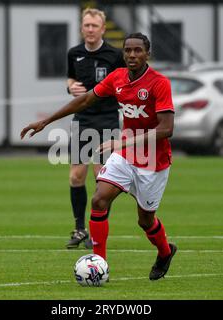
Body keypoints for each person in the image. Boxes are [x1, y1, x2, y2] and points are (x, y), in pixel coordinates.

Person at [21, 33, 177, 280]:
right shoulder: (117, 78)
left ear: (148, 53)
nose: (132, 55)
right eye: (128, 51)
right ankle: (98, 263)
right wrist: (46, 121)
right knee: (99, 200)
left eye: (138, 51)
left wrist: (123, 140)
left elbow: (166, 129)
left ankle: (165, 252)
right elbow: (84, 100)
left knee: (146, 220)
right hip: (125, 155)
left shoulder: (159, 83)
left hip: (153, 162)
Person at [65, 8, 125, 249]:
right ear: (82, 28)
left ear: (102, 29)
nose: (90, 29)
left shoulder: (114, 55)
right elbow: (70, 79)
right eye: (86, 25)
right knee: (75, 175)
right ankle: (79, 229)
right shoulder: (74, 53)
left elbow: (124, 82)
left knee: (102, 178)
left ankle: (96, 232)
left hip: (107, 119)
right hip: (83, 119)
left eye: (94, 26)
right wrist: (70, 87)